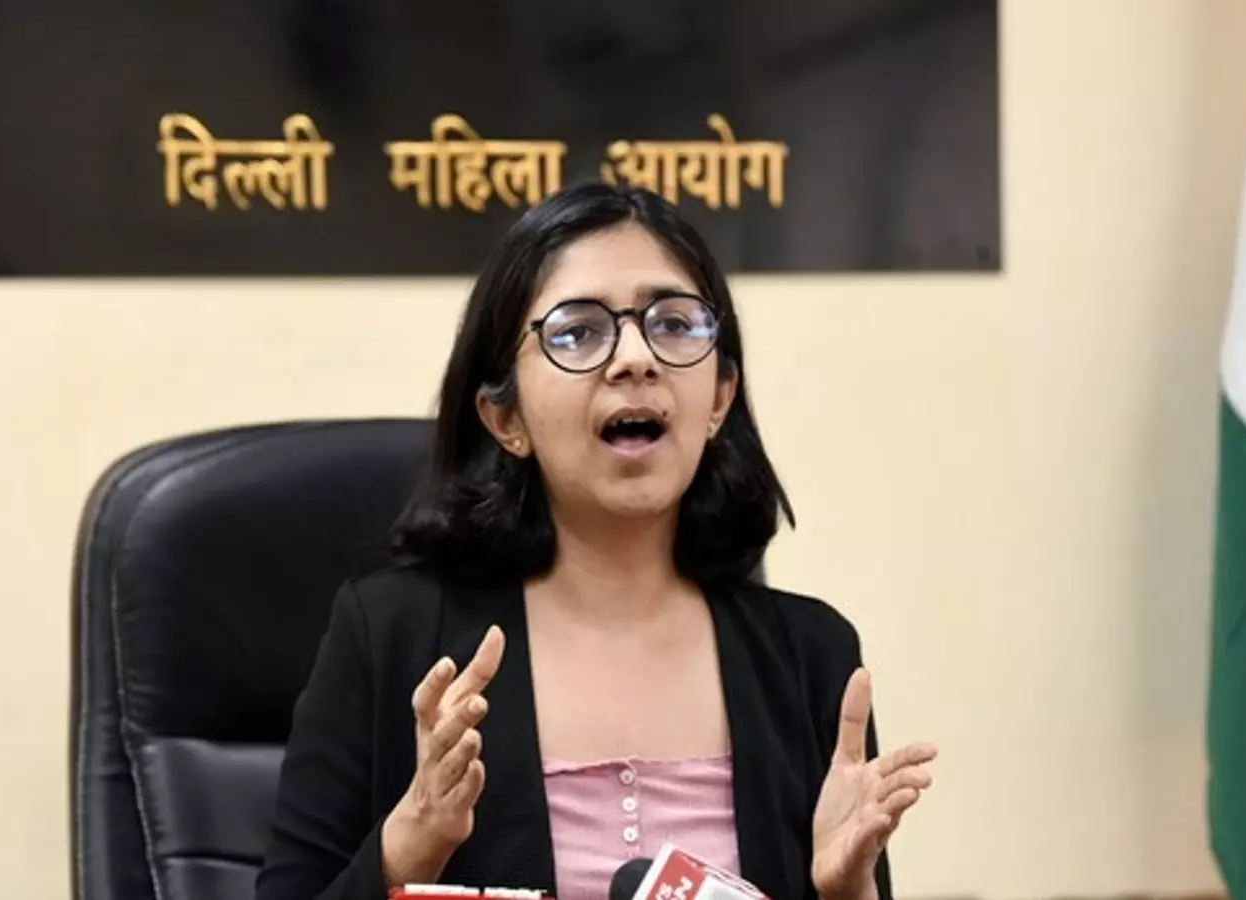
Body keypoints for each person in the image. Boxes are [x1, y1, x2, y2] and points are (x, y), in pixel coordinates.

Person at [254, 183, 937, 900]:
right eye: (578, 332)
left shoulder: (812, 658)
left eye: (674, 324)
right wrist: (410, 845)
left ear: (719, 399)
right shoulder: (393, 637)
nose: (636, 357)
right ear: (505, 418)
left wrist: (846, 893)